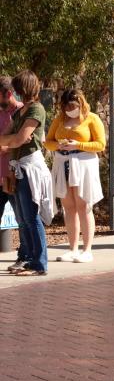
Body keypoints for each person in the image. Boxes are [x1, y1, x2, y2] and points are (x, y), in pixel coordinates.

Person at [0, 71, 54, 276]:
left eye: (18, 89)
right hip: (18, 167)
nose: (16, 93)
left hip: (30, 168)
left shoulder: (36, 110)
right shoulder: (20, 112)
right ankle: (31, 260)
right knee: (22, 218)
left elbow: (16, 140)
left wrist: (15, 139)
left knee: (31, 217)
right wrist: (13, 139)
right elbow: (7, 136)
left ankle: (40, 263)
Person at [44, 88, 105, 263]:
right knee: (68, 206)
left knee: (83, 204)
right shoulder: (60, 119)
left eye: (73, 106)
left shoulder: (92, 118)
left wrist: (78, 144)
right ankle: (72, 249)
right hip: (62, 162)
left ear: (81, 103)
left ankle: (87, 249)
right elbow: (48, 142)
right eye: (67, 106)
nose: (70, 109)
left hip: (83, 164)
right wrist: (59, 146)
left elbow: (100, 144)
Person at [0, 76, 27, 272]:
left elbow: (27, 140)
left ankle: (24, 256)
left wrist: (7, 144)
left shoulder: (24, 111)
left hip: (14, 175)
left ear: (8, 94)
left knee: (23, 218)